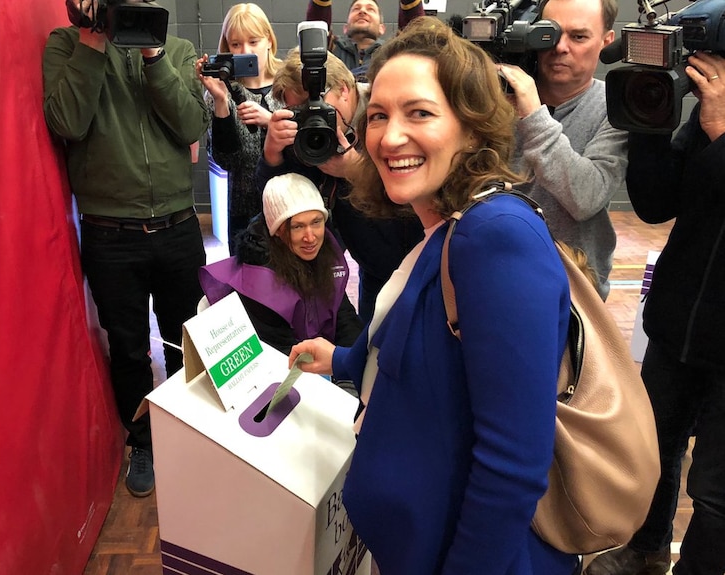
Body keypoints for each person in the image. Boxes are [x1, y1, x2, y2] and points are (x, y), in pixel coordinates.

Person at [290, 16, 578, 574]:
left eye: (419, 112)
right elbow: (434, 362)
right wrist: (345, 359)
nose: (390, 136)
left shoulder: (495, 237)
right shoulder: (446, 226)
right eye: (378, 115)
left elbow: (513, 463)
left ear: (470, 128)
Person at [42, 0, 209, 497]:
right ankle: (143, 442)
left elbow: (190, 125)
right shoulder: (66, 46)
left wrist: (154, 55)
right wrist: (94, 42)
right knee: (130, 348)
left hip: (178, 225)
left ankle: (191, 431)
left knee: (186, 339)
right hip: (110, 233)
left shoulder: (176, 49)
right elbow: (66, 122)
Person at [584, 51, 725, 575]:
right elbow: (655, 203)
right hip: (677, 326)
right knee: (653, 450)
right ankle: (645, 550)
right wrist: (648, 121)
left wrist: (720, 134)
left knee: (713, 492)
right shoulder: (708, 115)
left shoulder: (717, 119)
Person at [256, 48, 423, 322]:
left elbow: (420, 195)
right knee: (373, 350)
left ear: (344, 89)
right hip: (372, 265)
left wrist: (358, 171)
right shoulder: (303, 129)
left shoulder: (388, 111)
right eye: (297, 111)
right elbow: (281, 200)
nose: (308, 116)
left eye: (313, 106)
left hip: (418, 264)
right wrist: (272, 154)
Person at [498, 0, 627, 300]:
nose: (559, 47)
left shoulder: (616, 107)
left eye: (578, 37)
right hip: (490, 272)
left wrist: (532, 115)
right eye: (550, 33)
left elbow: (586, 196)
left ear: (606, 42)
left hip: (572, 289)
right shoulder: (496, 97)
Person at [199, 173, 362, 355]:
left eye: (316, 222)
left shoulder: (324, 251)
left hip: (321, 358)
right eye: (297, 227)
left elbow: (343, 315)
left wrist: (350, 365)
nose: (310, 237)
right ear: (277, 230)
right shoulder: (260, 283)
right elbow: (280, 356)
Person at [197, 3, 285, 254]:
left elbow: (306, 147)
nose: (245, 51)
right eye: (236, 44)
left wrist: (270, 121)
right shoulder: (219, 91)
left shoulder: (289, 82)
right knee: (249, 288)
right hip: (243, 214)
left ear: (269, 40)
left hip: (291, 208)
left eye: (253, 41)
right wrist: (222, 102)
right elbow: (225, 160)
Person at [306, 0, 424, 78]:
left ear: (382, 28)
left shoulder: (391, 53)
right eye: (356, 9)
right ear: (345, 28)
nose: (362, 11)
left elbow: (414, 33)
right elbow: (316, 27)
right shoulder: (331, 49)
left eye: (370, 9)